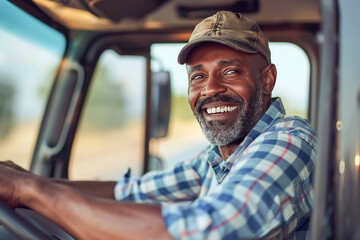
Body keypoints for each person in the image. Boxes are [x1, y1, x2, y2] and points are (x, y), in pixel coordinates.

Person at [0, 11, 317, 240]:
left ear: (267, 78)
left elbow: (213, 229)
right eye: (197, 76)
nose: (209, 89)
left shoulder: (290, 139)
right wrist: (27, 181)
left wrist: (31, 190)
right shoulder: (218, 158)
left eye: (230, 71)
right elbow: (130, 193)